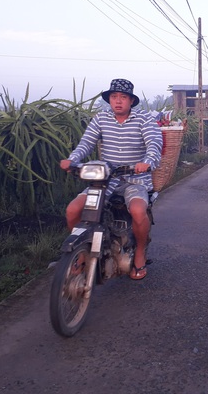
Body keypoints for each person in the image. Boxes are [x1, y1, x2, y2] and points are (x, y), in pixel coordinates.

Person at [60, 79, 163, 280]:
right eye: (114, 97)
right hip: (106, 179)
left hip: (136, 178)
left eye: (123, 97)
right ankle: (81, 252)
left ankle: (140, 251)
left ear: (131, 101)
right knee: (73, 210)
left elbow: (154, 144)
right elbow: (86, 143)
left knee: (137, 210)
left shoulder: (144, 119)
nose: (118, 101)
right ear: (109, 99)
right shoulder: (101, 118)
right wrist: (72, 160)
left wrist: (147, 162)